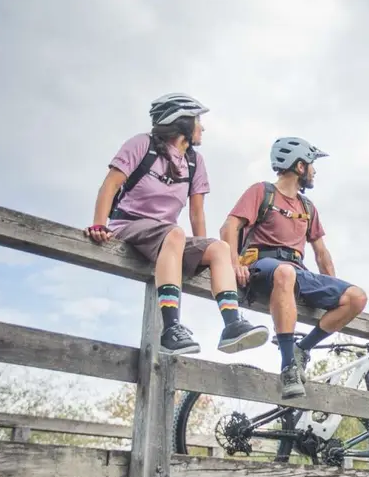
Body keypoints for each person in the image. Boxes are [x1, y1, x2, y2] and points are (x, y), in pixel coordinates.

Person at [85, 93, 269, 356]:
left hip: (168, 237)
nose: (202, 127)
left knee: (218, 248)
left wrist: (201, 250)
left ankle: (232, 325)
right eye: (198, 120)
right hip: (129, 225)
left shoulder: (195, 162)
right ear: (182, 122)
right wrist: (98, 225)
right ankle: (171, 329)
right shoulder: (142, 144)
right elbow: (111, 184)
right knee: (175, 232)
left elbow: (196, 212)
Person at [220, 136, 368, 399]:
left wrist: (331, 291)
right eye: (312, 165)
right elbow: (229, 227)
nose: (314, 171)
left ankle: (302, 348)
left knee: (356, 297)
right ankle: (288, 366)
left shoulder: (307, 207)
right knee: (285, 272)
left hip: (296, 271)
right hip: (262, 265)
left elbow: (321, 253)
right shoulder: (261, 191)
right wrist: (234, 263)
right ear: (300, 167)